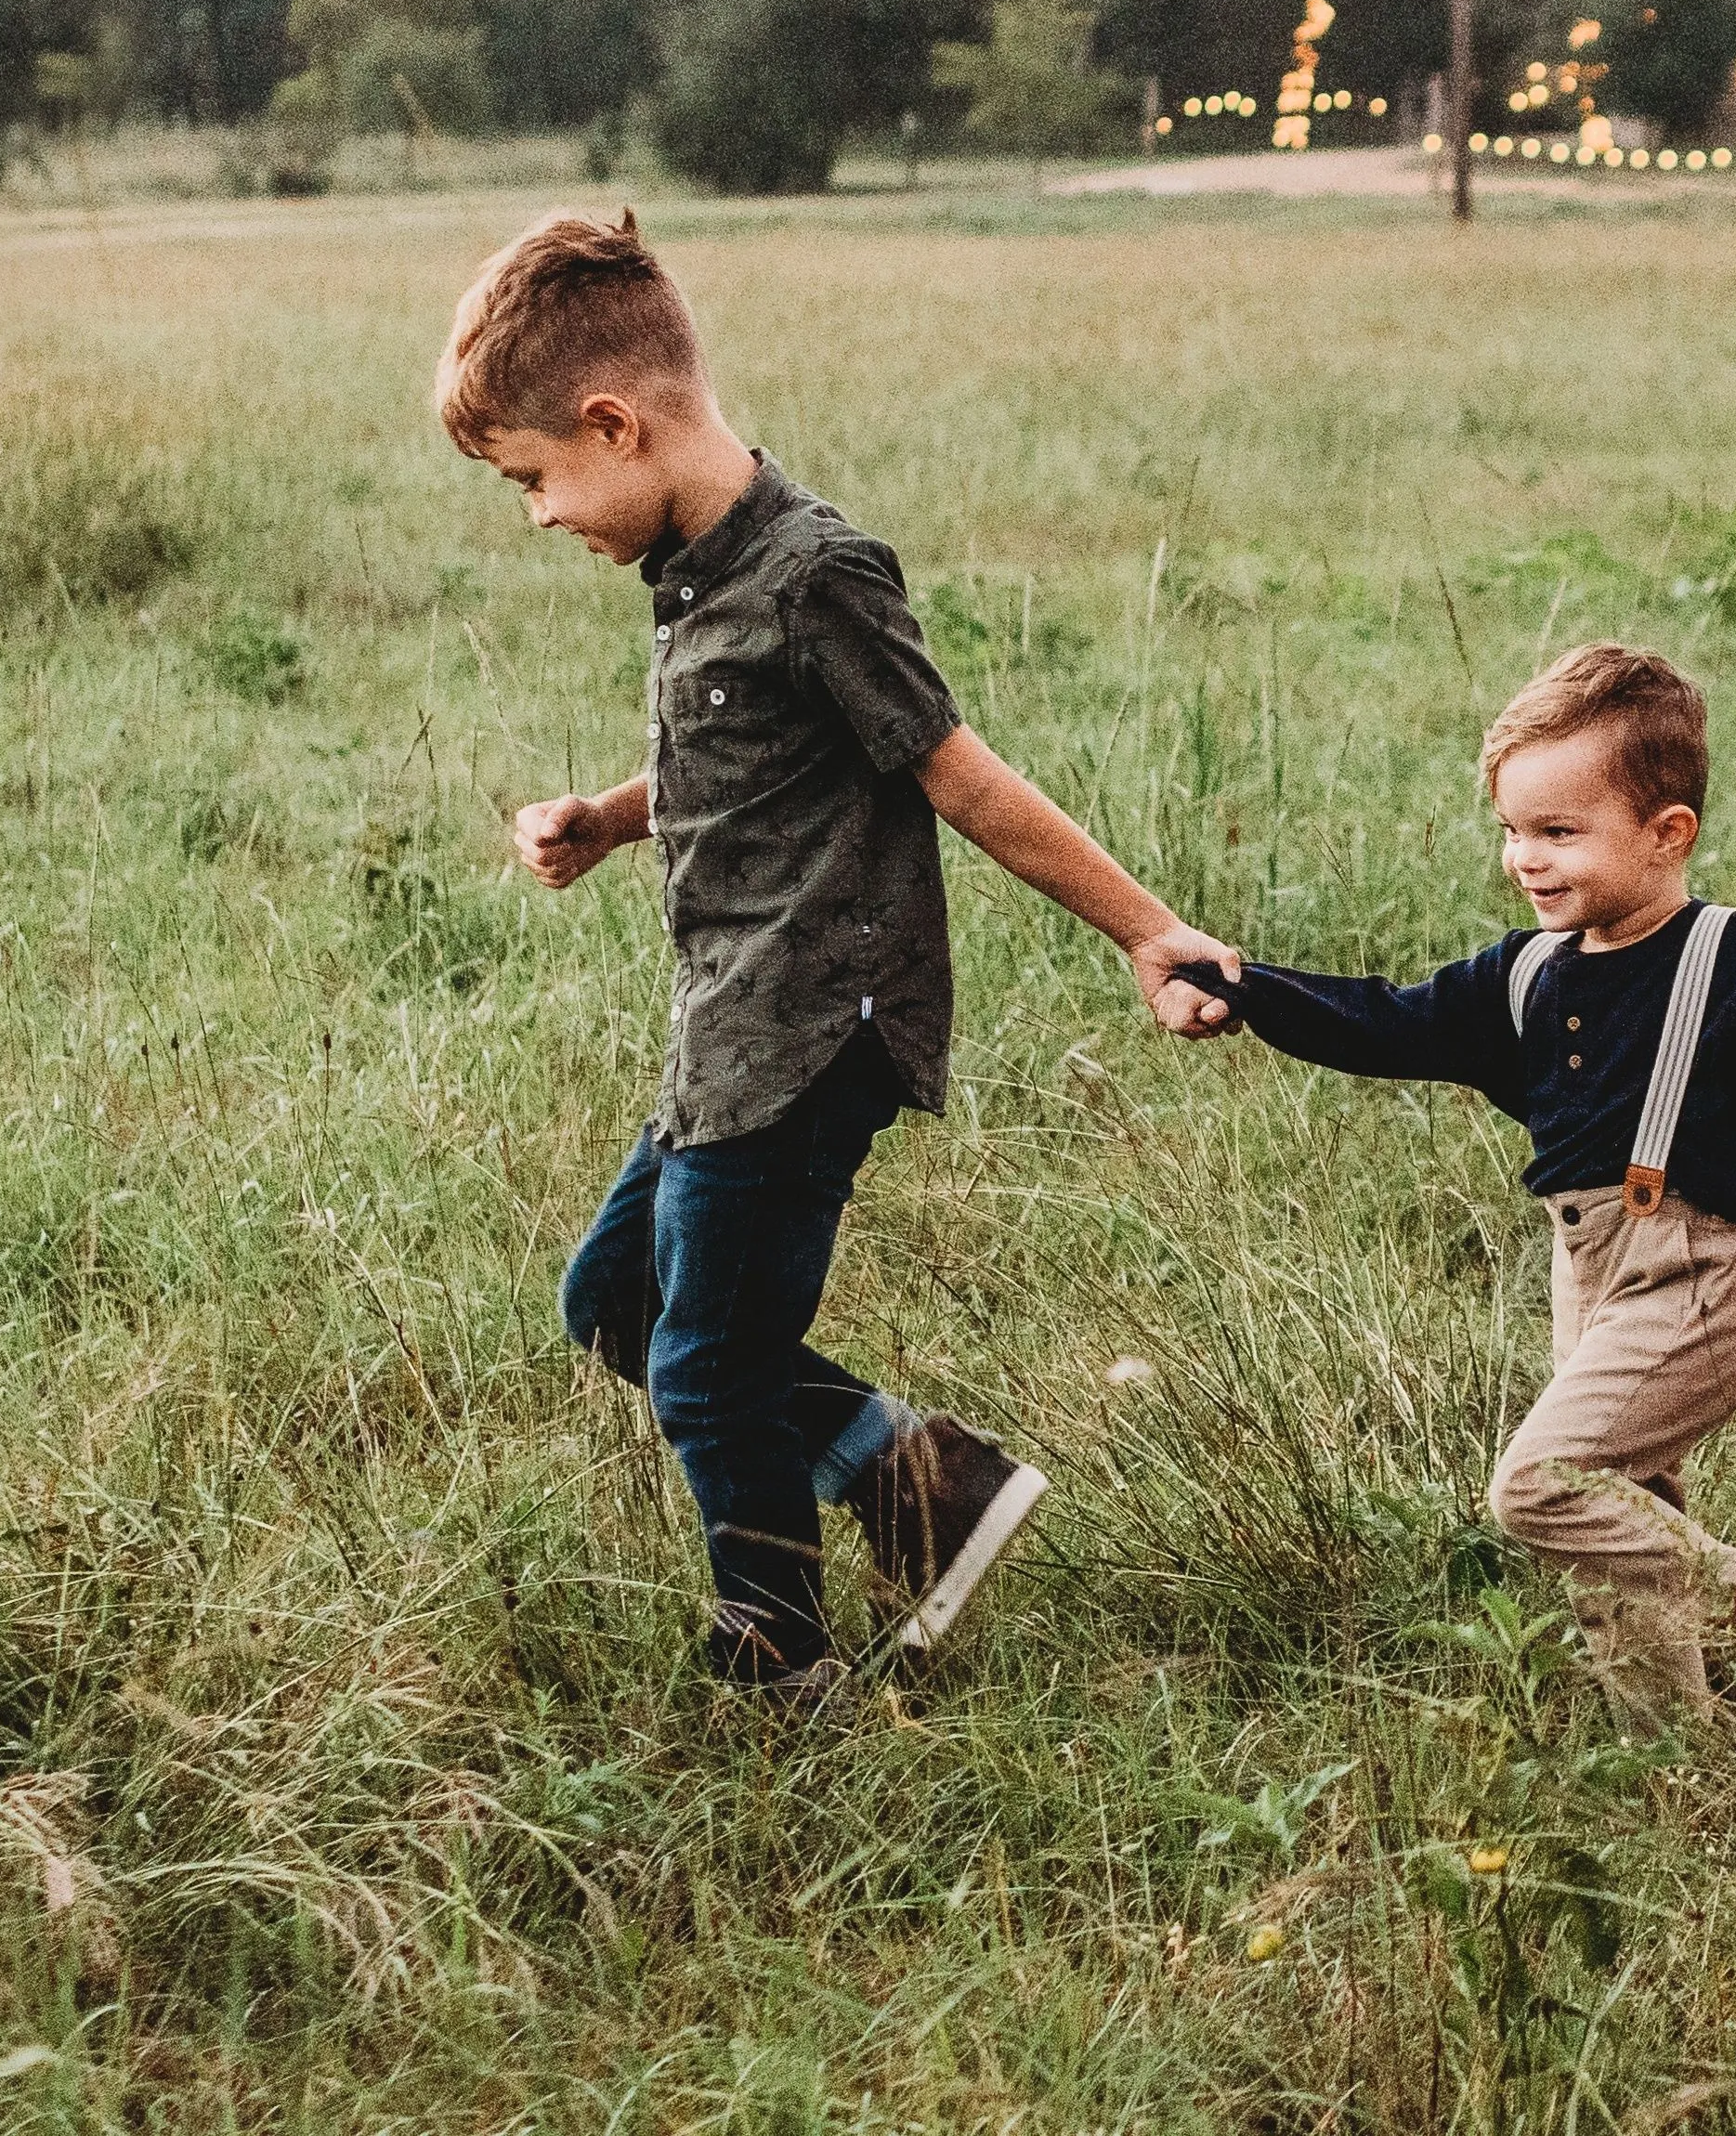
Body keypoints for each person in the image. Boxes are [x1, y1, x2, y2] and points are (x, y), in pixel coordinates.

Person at [447, 209, 1239, 1709]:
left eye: (534, 477)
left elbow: (958, 775)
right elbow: (740, 759)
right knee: (614, 1301)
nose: (539, 512)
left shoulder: (816, 571)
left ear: (615, 423)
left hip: (812, 1029)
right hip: (724, 1027)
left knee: (705, 1361)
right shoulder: (695, 570)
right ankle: (920, 1485)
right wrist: (613, 818)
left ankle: (778, 1653)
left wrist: (1150, 929)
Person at [1155, 645, 1736, 1739]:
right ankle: (1682, 1758)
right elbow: (1383, 1020)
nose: (1526, 859)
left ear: (1668, 832)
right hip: (1587, 1274)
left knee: (1543, 1486)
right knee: (1617, 1526)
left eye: (1559, 832)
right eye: (1512, 830)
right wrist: (1242, 985)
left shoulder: (1726, 956)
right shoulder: (1528, 970)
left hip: (1697, 1276)